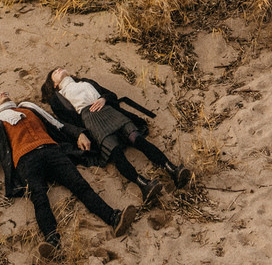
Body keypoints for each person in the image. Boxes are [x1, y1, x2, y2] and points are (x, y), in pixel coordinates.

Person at [0, 90, 138, 259]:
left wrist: (79, 133)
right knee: (39, 197)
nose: (2, 93)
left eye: (3, 92)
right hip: (26, 159)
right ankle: (52, 241)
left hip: (52, 151)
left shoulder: (29, 109)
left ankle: (113, 218)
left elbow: (57, 123)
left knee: (80, 185)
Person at [41, 67, 191, 207]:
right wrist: (80, 134)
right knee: (115, 151)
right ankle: (144, 185)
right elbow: (66, 122)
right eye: (54, 72)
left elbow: (111, 95)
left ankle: (173, 170)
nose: (58, 69)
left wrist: (103, 99)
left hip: (108, 110)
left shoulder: (85, 81)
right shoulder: (57, 98)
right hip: (91, 120)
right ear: (53, 84)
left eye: (60, 67)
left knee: (137, 138)